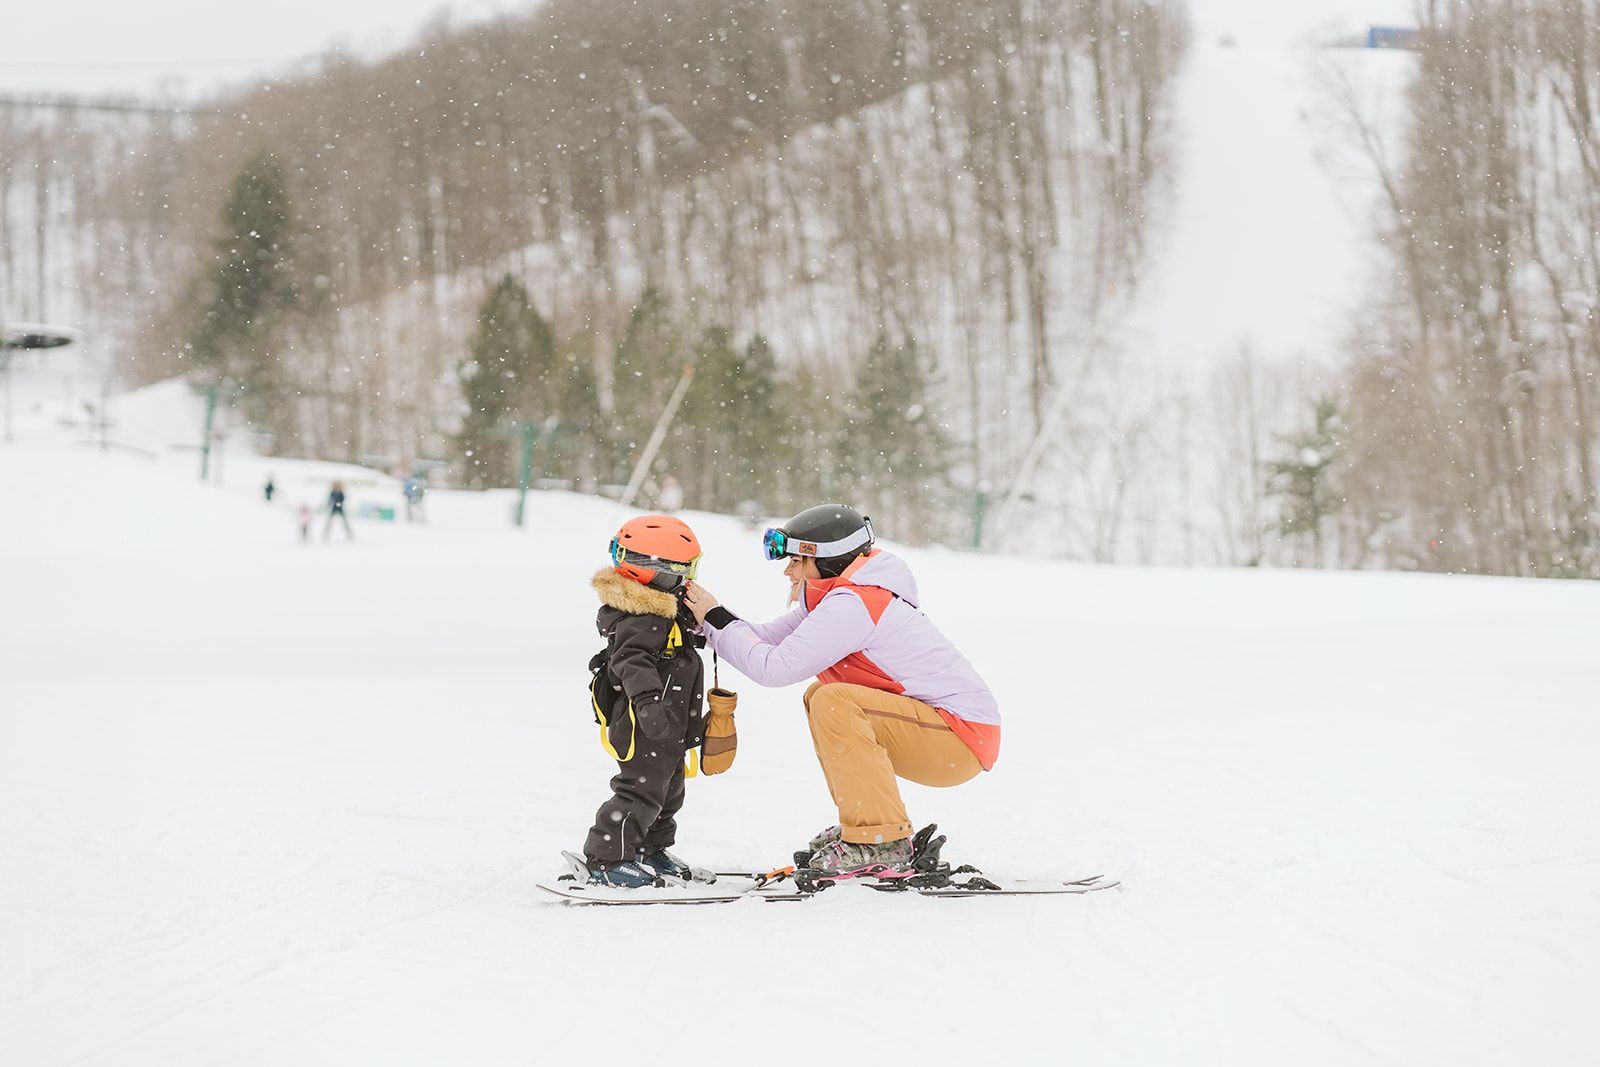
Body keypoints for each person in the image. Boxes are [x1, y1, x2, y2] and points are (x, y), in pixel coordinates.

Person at [683, 503, 1000, 878]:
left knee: (835, 700)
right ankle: (864, 823)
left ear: (825, 560)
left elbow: (773, 668)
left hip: (959, 739)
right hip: (945, 734)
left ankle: (879, 839)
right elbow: (764, 639)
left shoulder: (854, 604)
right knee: (820, 695)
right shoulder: (842, 598)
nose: (788, 571)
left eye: (796, 560)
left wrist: (716, 618)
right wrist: (704, 624)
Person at [579, 514, 710, 887]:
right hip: (646, 720)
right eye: (682, 570)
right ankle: (607, 858)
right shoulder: (642, 616)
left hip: (669, 720)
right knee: (641, 790)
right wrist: (649, 702)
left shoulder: (663, 608)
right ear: (653, 570)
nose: (687, 578)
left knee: (669, 790)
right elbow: (631, 661)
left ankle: (649, 849)